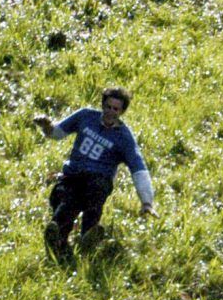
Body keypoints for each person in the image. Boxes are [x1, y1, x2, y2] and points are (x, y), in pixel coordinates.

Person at [32, 86, 155, 261]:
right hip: (73, 176)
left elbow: (138, 168)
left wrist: (147, 201)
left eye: (116, 109)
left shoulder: (124, 138)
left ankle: (88, 238)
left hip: (99, 179)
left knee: (94, 197)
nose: (111, 112)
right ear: (102, 105)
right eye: (108, 107)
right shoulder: (85, 116)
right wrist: (47, 126)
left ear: (122, 112)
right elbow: (58, 132)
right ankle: (57, 240)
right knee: (66, 202)